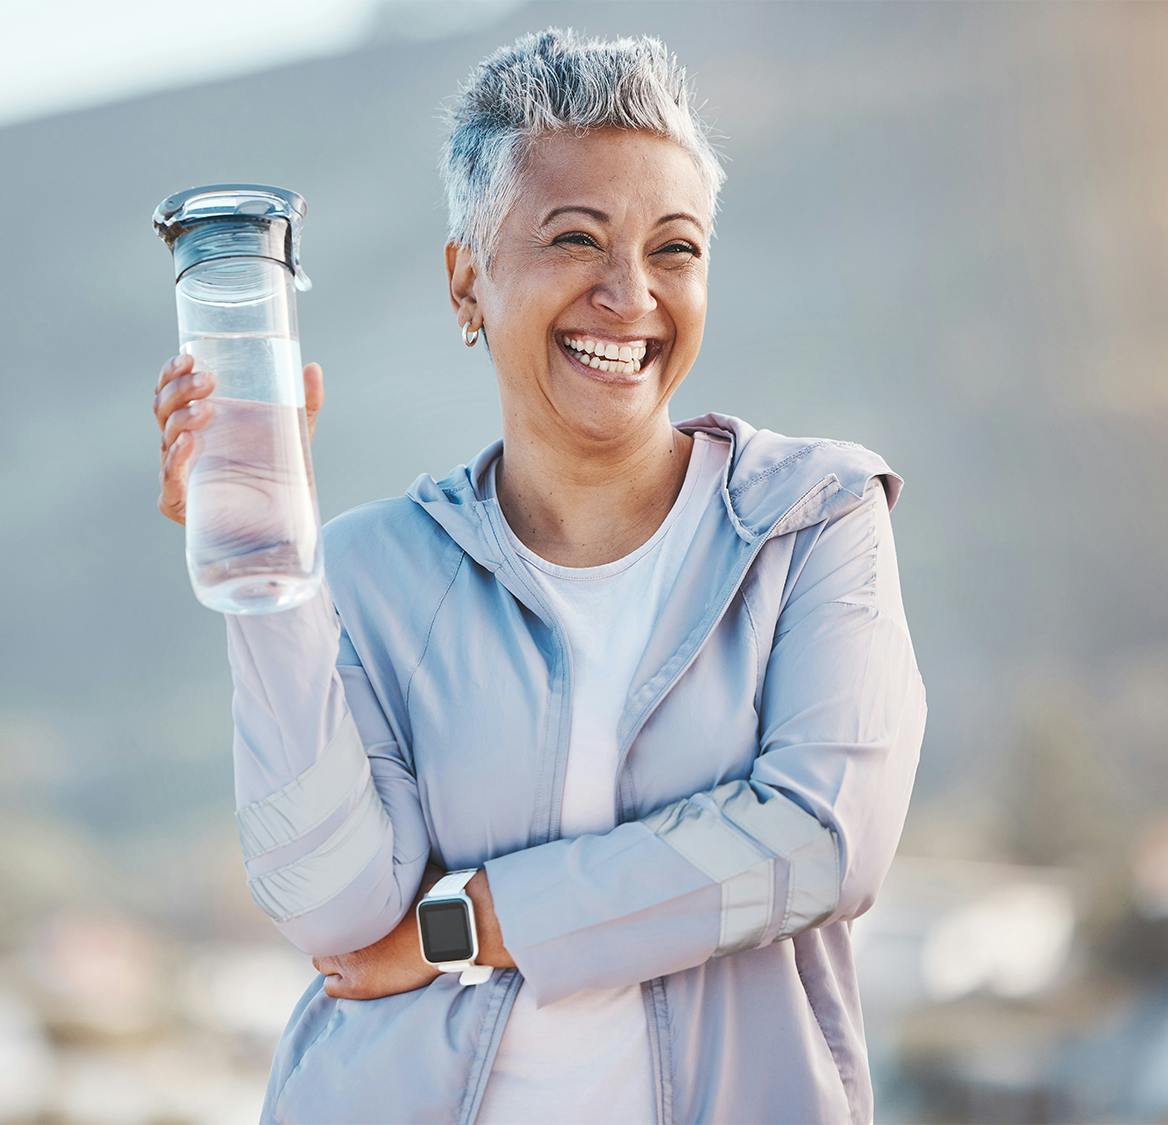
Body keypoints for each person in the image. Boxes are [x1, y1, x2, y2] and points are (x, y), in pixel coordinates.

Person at [151, 25, 927, 1125]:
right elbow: (333, 905)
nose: (630, 294)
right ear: (468, 280)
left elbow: (818, 842)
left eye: (675, 248)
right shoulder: (367, 568)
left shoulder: (810, 521)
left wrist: (468, 923)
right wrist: (270, 565)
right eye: (575, 239)